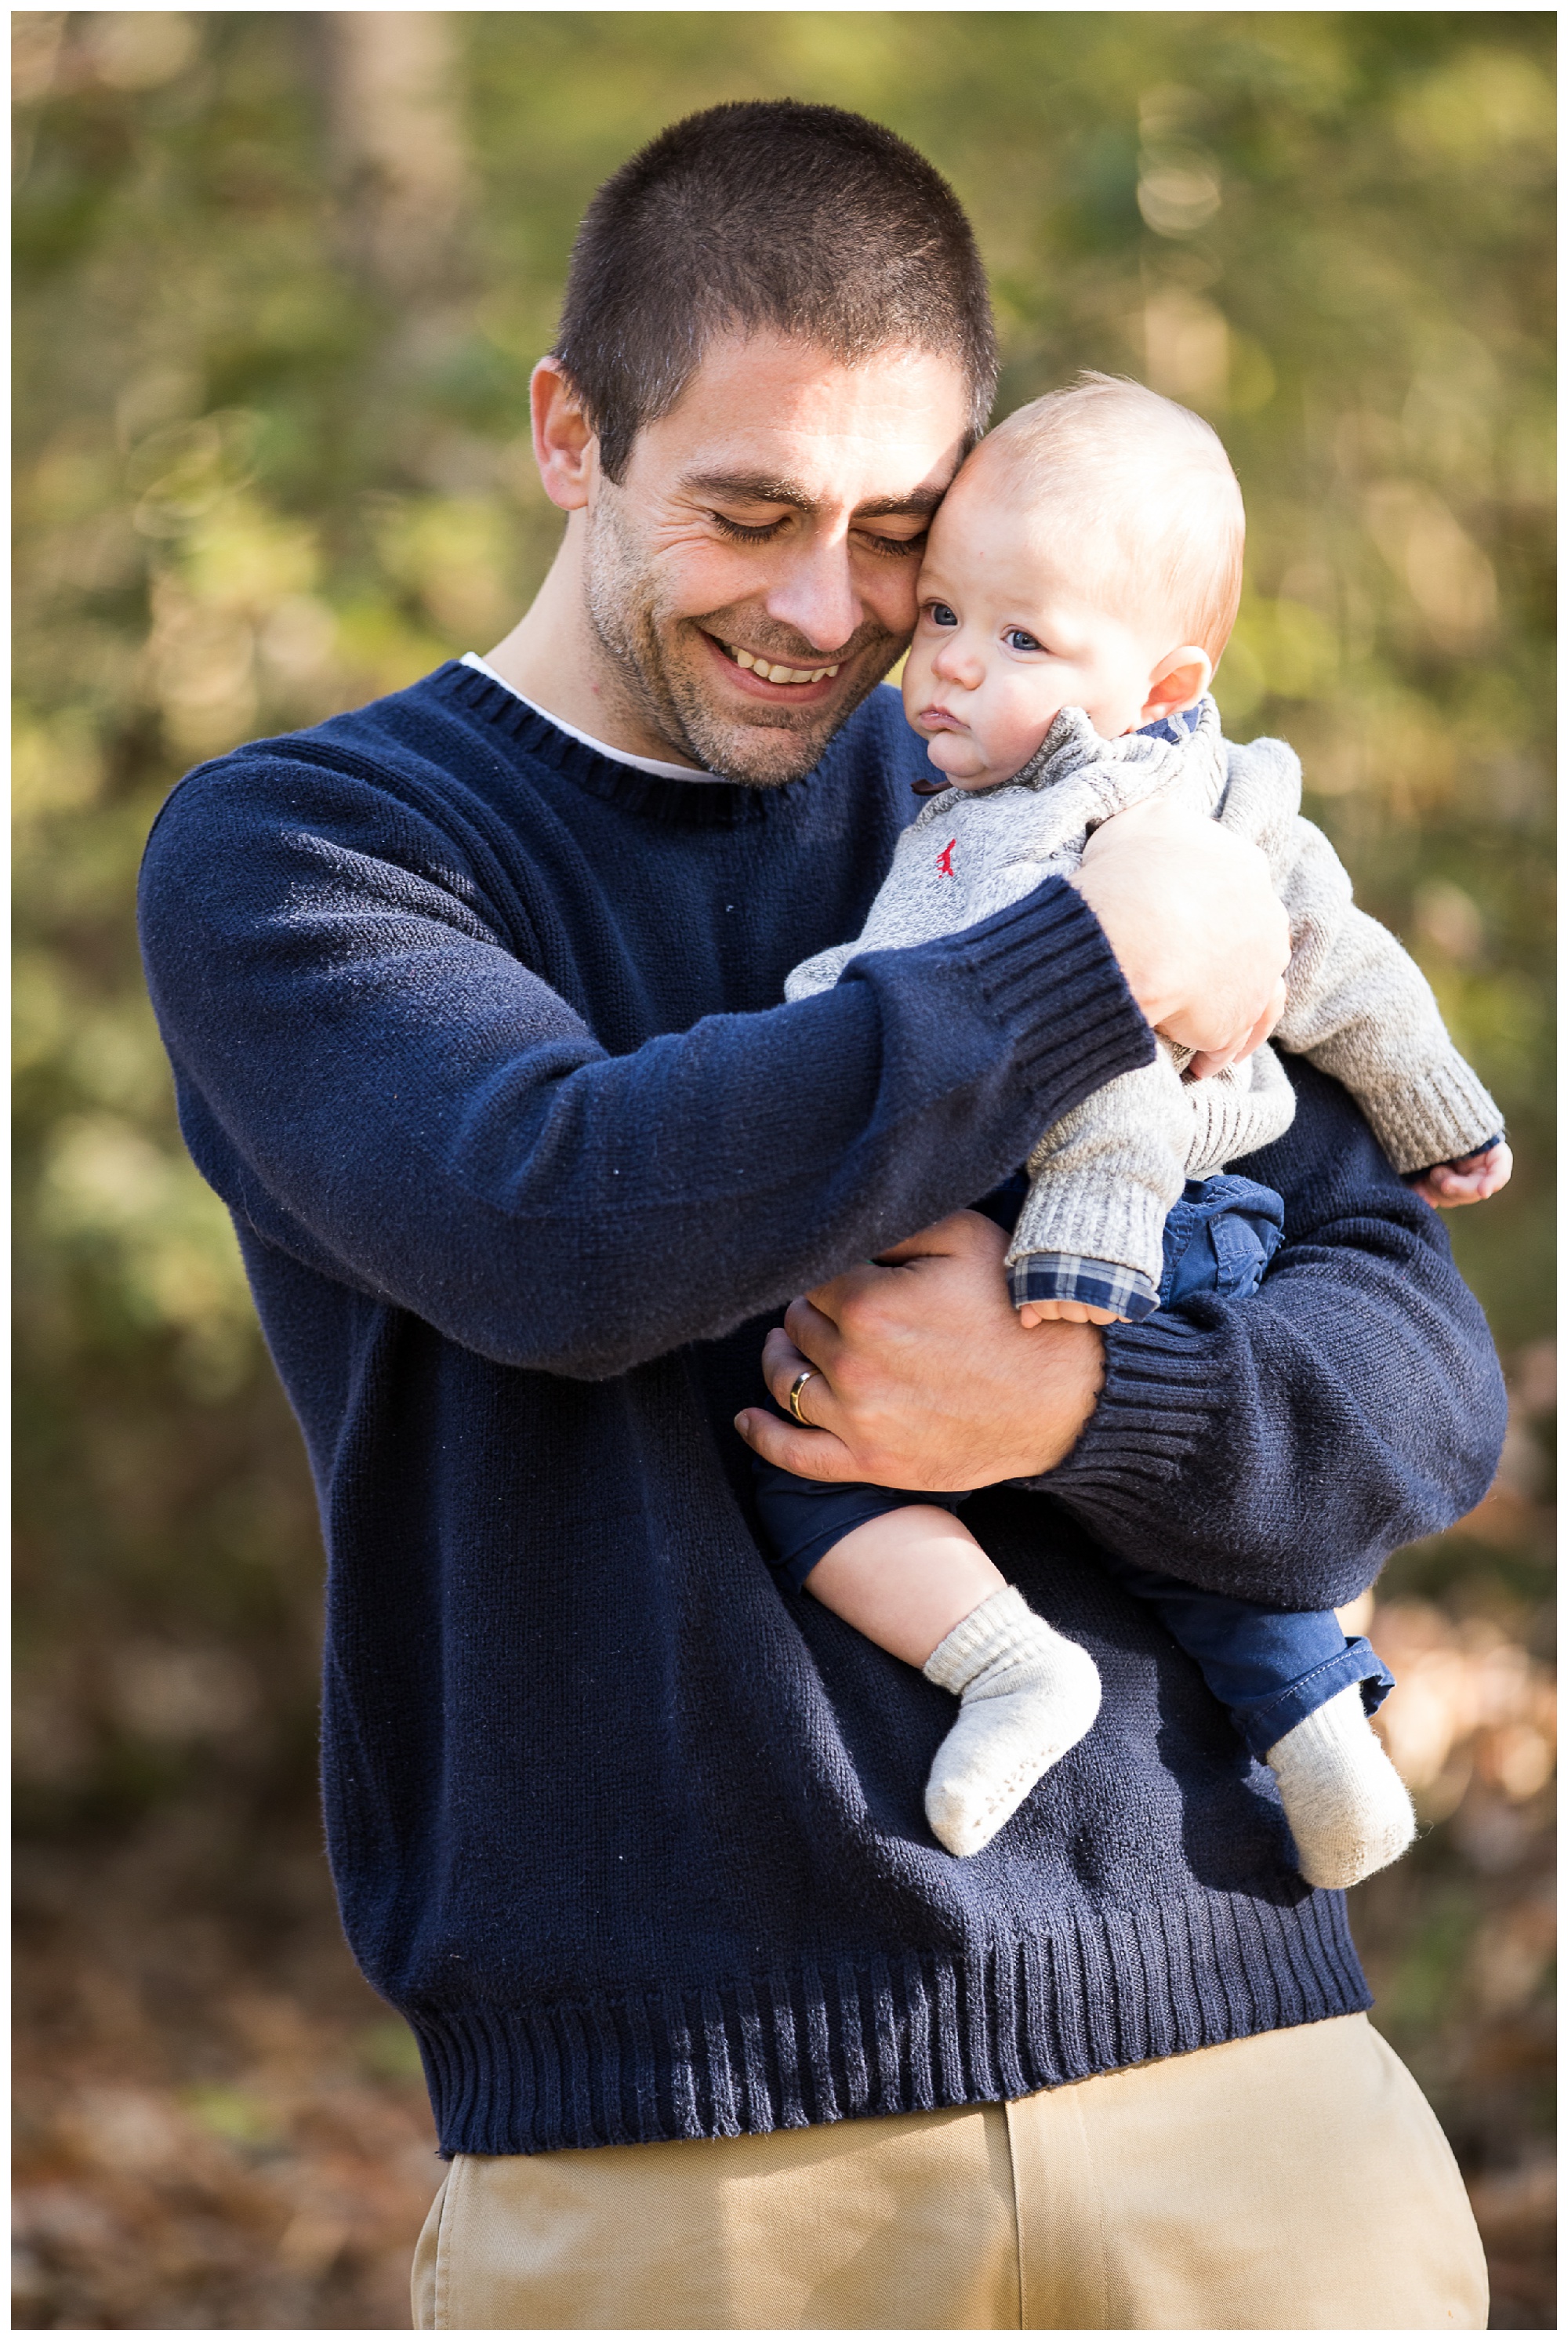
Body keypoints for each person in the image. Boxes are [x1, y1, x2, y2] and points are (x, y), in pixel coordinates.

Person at [136, 101, 1498, 2328]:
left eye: (892, 532)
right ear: (574, 434)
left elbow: (1424, 1389)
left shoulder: (1065, 788)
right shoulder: (315, 855)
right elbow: (561, 1220)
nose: (824, 609)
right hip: (693, 2169)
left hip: (1248, 2098)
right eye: (748, 510)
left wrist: (1072, 1405)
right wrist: (1087, 971)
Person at [750, 374, 1510, 1882]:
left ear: (1163, 687)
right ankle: (1258, 1710)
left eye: (1023, 640)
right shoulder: (960, 795)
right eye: (947, 612)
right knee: (822, 1440)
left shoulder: (1180, 820)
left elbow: (1333, 967)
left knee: (827, 1461)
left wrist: (1436, 1109)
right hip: (1024, 1224)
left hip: (1150, 1221)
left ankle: (1244, 1706)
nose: (951, 669)